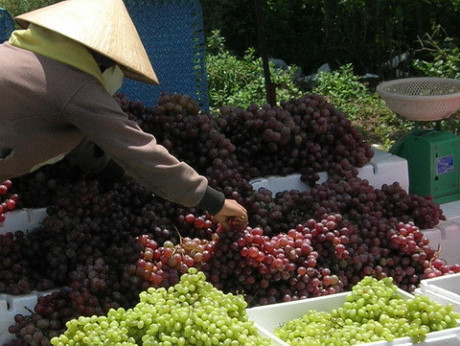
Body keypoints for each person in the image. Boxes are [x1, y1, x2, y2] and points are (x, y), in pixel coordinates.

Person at [0, 0, 247, 230]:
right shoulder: (76, 86)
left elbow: (71, 134)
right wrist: (213, 202)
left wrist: (112, 172)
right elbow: (137, 149)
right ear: (104, 61)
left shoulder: (23, 58)